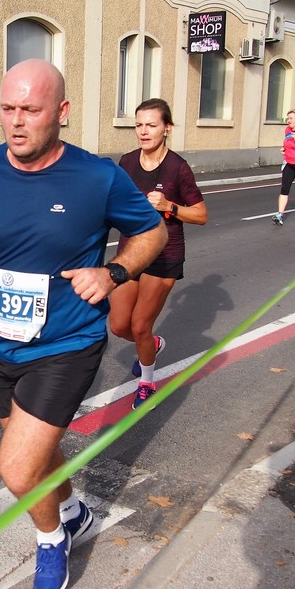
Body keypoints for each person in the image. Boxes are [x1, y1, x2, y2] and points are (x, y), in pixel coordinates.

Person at [0, 59, 166, 589]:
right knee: (36, 451)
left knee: (16, 466)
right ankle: (75, 512)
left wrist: (113, 272)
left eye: (30, 110)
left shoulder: (96, 177)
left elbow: (150, 231)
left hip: (67, 344)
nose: (16, 122)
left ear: (60, 112)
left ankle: (51, 536)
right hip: (1, 344)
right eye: (8, 109)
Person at [109, 98, 207, 410]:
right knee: (119, 325)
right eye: (139, 125)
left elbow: (201, 214)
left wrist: (168, 206)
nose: (143, 131)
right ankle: (153, 345)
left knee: (139, 325)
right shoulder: (126, 162)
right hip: (131, 251)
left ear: (167, 128)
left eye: (151, 125)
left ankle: (147, 381)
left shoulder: (178, 167)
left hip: (165, 255)